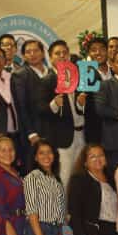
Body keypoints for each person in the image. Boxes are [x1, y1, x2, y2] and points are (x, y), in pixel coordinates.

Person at [35, 41, 88, 185]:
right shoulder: (46, 81)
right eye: (57, 53)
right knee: (65, 177)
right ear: (50, 57)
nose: (62, 56)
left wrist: (81, 103)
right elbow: (40, 109)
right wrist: (54, 104)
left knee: (81, 176)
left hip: (82, 134)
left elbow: (84, 108)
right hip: (63, 137)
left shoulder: (78, 77)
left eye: (65, 52)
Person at [83, 37, 110, 146]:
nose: (98, 53)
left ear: (107, 51)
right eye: (94, 50)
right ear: (89, 54)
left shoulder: (116, 72)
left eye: (102, 49)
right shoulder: (85, 75)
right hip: (96, 132)